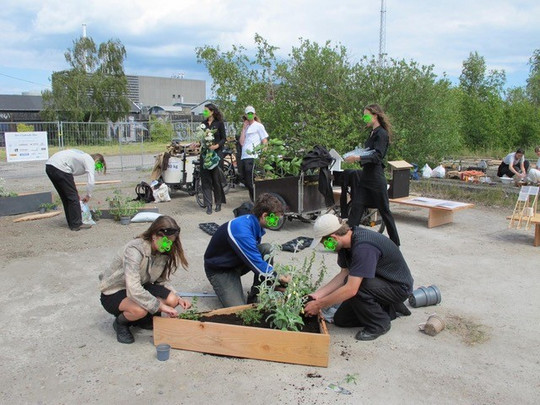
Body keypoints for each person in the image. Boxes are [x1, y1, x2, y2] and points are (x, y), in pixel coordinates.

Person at [304, 214, 414, 341]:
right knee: (341, 320)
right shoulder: (345, 245)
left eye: (325, 243)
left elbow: (351, 289)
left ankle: (379, 324)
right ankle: (391, 308)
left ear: (333, 237)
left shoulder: (364, 247)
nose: (326, 247)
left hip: (398, 286)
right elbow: (344, 274)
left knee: (357, 287)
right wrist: (317, 295)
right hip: (378, 282)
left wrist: (318, 305)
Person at [99, 215, 190, 344]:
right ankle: (121, 323)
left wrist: (178, 298)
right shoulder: (134, 250)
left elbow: (160, 281)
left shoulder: (162, 251)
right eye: (165, 241)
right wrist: (159, 306)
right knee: (140, 310)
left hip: (141, 286)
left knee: (172, 300)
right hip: (116, 291)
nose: (168, 245)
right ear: (154, 235)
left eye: (171, 242)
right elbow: (133, 289)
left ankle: (142, 319)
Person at [204, 193, 286, 307]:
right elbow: (256, 262)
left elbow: (256, 257)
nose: (276, 222)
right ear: (264, 215)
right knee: (239, 310)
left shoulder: (253, 223)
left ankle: (256, 296)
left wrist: (274, 279)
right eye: (275, 218)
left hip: (236, 261)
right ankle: (228, 285)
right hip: (220, 270)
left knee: (267, 249)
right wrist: (279, 277)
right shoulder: (242, 230)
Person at [343, 104, 400, 246]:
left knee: (385, 211)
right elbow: (368, 152)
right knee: (356, 207)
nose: (364, 119)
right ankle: (348, 240)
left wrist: (357, 158)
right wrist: (356, 154)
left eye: (366, 115)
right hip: (366, 176)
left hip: (376, 178)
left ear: (375, 115)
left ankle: (395, 243)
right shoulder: (372, 133)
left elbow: (377, 156)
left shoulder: (382, 134)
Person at [45, 149, 106, 231]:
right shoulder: (90, 160)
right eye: (98, 166)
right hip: (61, 167)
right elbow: (91, 182)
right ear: (97, 160)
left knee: (66, 197)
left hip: (50, 166)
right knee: (73, 198)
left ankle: (71, 222)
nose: (97, 168)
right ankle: (76, 224)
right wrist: (88, 196)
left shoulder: (83, 156)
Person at [200, 103, 227, 215]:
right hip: (205, 155)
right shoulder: (202, 124)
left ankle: (218, 202)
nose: (204, 113)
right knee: (206, 180)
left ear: (212, 112)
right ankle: (208, 205)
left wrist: (216, 146)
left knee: (216, 180)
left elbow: (223, 138)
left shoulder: (219, 123)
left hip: (216, 154)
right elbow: (200, 138)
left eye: (206, 111)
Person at [238, 106, 269, 201]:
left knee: (251, 181)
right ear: (246, 115)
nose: (250, 115)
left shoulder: (258, 126)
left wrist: (263, 155)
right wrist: (243, 129)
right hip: (244, 156)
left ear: (254, 114)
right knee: (244, 180)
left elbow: (264, 141)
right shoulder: (246, 127)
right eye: (248, 114)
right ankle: (254, 199)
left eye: (252, 113)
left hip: (253, 156)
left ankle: (257, 200)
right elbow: (242, 142)